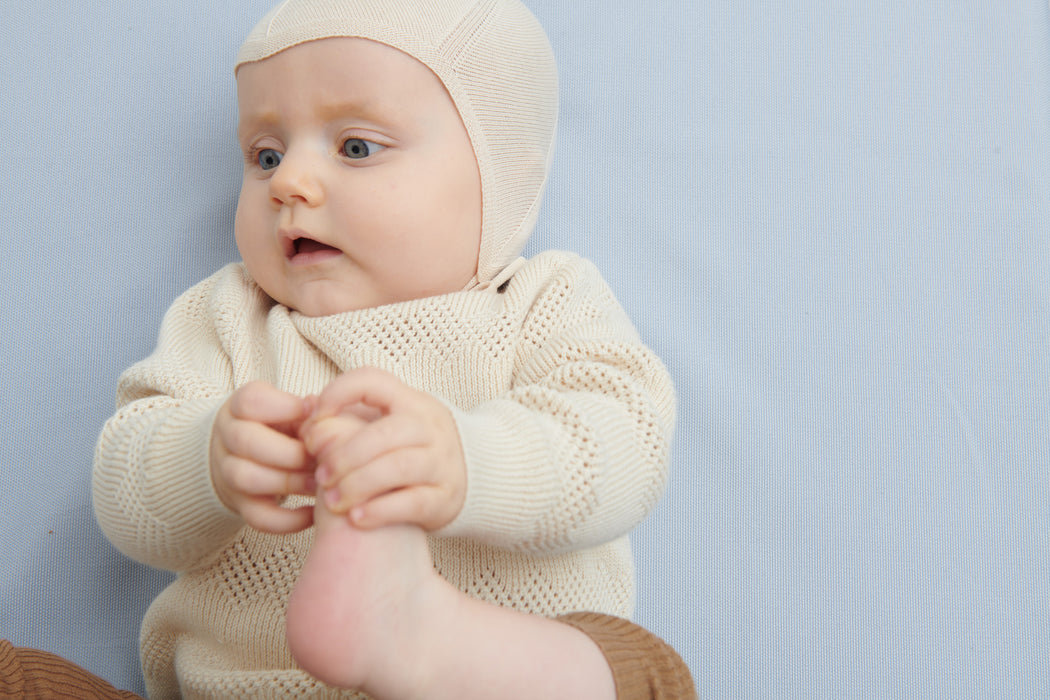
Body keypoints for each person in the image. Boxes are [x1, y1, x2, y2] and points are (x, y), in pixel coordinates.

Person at [82, 0, 696, 697]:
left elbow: (627, 443)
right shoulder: (227, 316)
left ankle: (425, 638)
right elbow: (123, 487)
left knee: (636, 670)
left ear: (502, 176)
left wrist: (472, 462)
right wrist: (204, 459)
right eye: (265, 155)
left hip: (483, 683)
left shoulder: (542, 304)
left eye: (356, 147)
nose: (289, 183)